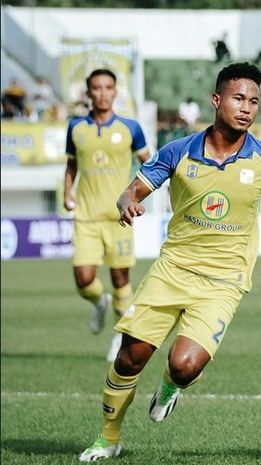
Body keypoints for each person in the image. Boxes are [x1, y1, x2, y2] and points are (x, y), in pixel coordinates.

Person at [78, 62, 261, 462]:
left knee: (184, 365)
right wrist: (128, 201)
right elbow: (134, 188)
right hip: (171, 270)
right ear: (216, 99)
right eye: (239, 98)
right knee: (129, 358)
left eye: (254, 101)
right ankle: (108, 438)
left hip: (224, 281)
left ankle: (170, 388)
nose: (247, 108)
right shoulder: (178, 150)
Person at [63, 69, 150, 364]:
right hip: (86, 216)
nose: (102, 93)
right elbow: (72, 165)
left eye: (108, 88)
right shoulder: (75, 128)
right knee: (83, 278)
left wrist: (137, 196)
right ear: (89, 93)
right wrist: (67, 193)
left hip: (118, 217)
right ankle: (99, 301)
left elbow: (148, 165)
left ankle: (119, 337)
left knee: (120, 277)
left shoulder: (131, 128)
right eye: (97, 88)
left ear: (115, 92)